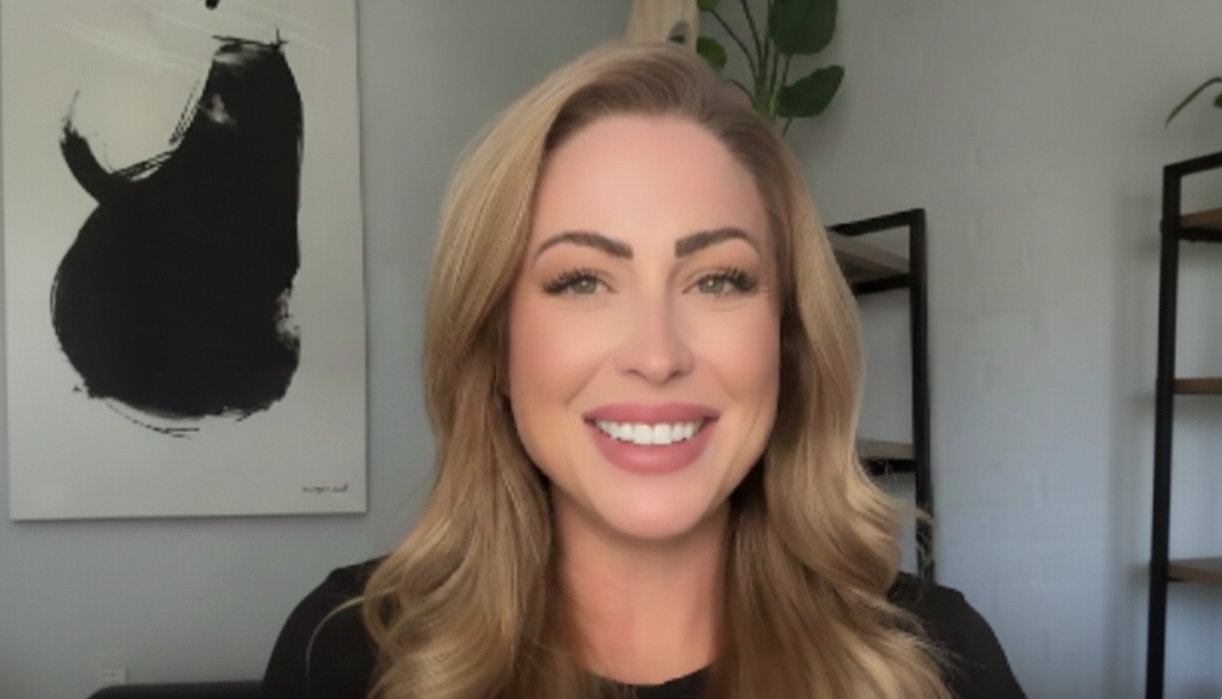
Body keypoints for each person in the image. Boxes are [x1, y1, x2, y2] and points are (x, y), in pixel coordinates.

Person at [261, 40, 1027, 699]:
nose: (657, 356)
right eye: (581, 281)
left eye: (718, 279)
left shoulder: (933, 660)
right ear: (495, 347)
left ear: (789, 341)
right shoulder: (347, 655)